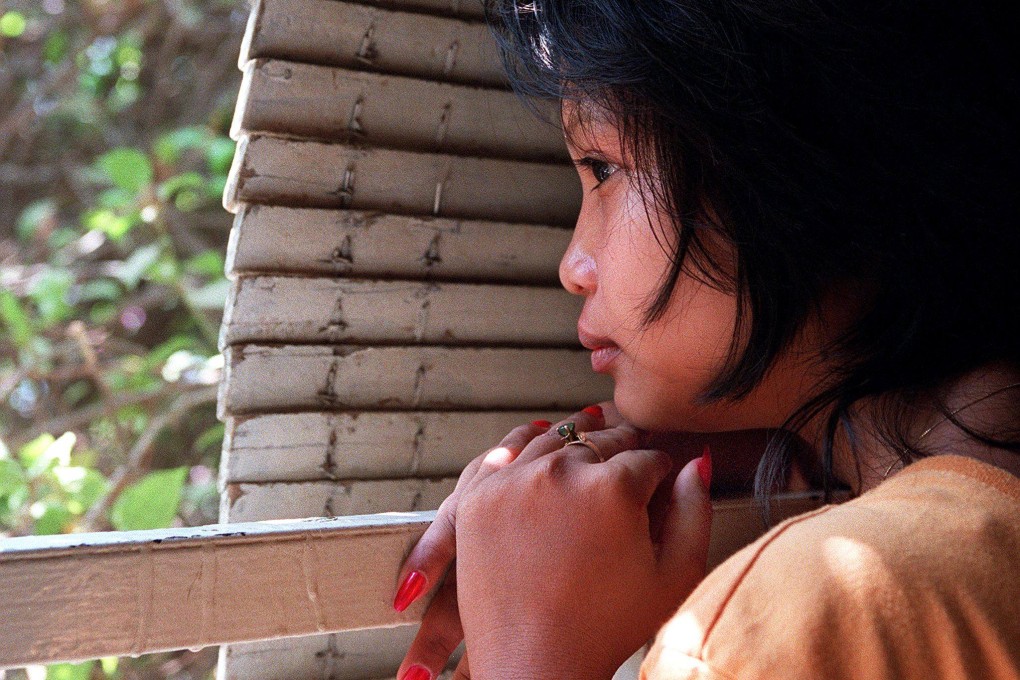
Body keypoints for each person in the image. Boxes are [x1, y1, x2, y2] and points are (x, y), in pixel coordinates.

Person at [392, 1, 1020, 678]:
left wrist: (528, 655)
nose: (572, 266)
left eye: (602, 168)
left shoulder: (786, 627)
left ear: (796, 154)